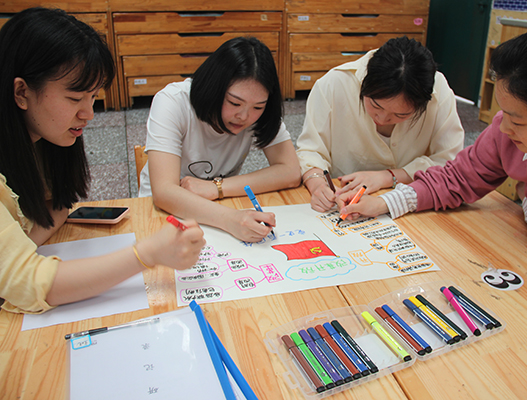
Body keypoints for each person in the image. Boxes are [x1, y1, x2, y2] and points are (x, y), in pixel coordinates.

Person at [0, 8, 206, 314]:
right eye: (75, 98)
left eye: (93, 97)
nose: (89, 114)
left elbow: (58, 205)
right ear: (21, 92)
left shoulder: (42, 139)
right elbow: (33, 284)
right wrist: (147, 254)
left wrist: (22, 246)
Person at [337, 27, 527, 264]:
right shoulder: (507, 131)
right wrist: (384, 203)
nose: (503, 127)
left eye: (517, 121)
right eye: (503, 113)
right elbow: (457, 178)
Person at [139, 36, 301, 243]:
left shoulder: (259, 112)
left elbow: (290, 171)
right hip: (162, 215)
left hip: (219, 208)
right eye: (234, 103)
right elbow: (164, 192)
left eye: (258, 107)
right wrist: (230, 219)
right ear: (214, 87)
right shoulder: (173, 102)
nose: (244, 116)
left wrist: (217, 187)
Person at [295, 36, 465, 212]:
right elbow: (310, 150)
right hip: (343, 199)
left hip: (415, 201)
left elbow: (450, 164)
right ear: (365, 83)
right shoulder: (334, 84)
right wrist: (318, 185)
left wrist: (387, 177)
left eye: (401, 114)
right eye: (375, 105)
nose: (382, 119)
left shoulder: (438, 92)